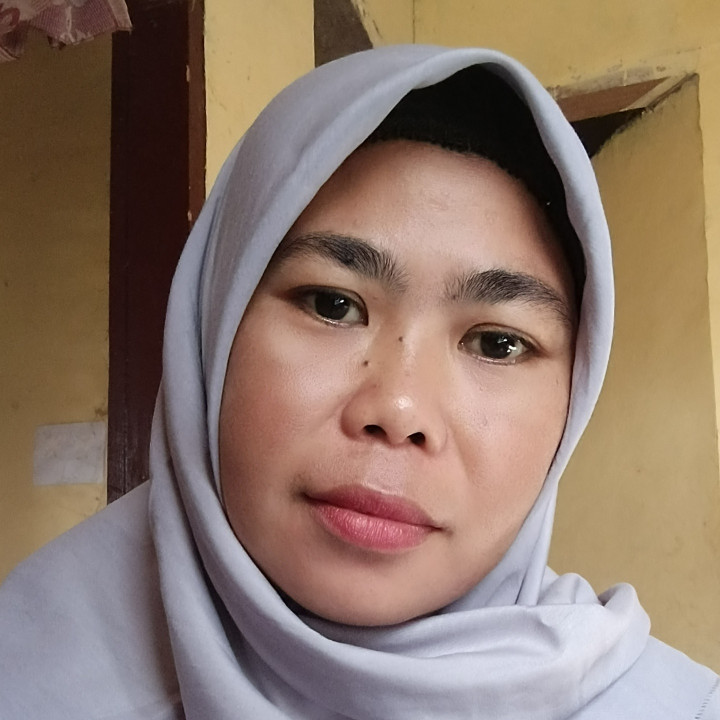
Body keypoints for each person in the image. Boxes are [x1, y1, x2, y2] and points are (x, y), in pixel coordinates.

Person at [0, 45, 718, 719]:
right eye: (332, 304)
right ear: (211, 327)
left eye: (497, 343)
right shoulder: (27, 668)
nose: (399, 408)